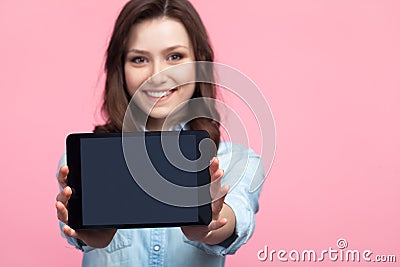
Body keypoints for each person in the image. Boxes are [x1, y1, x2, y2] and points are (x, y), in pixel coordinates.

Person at [55, 0, 264, 266]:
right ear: (120, 68)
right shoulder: (85, 161)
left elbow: (235, 218)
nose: (157, 75)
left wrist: (212, 223)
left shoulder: (237, 161)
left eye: (175, 57)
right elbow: (82, 233)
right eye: (139, 59)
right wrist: (86, 232)